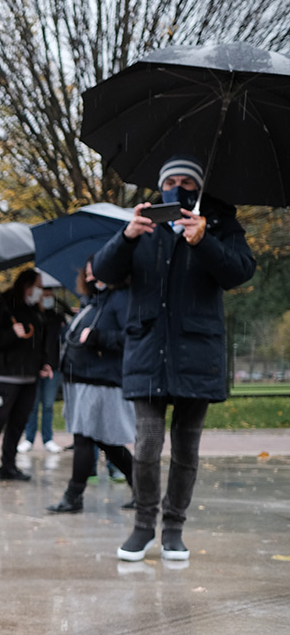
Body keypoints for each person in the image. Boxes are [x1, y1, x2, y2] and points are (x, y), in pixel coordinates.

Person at [93, 155, 255, 563]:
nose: (176, 187)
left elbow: (239, 271)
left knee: (186, 448)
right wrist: (127, 235)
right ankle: (144, 524)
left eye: (185, 181)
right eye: (170, 180)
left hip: (196, 352)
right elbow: (104, 271)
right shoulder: (144, 224)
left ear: (198, 188)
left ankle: (175, 527)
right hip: (148, 348)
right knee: (147, 443)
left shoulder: (219, 223)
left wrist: (204, 241)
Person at [46, 260, 135, 513]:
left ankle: (73, 496)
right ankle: (142, 488)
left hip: (100, 380)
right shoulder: (94, 302)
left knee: (85, 438)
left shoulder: (119, 299)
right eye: (86, 271)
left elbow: (132, 336)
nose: (89, 276)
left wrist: (98, 338)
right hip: (81, 378)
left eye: (94, 270)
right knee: (105, 441)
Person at [0, 268, 49, 483]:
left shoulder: (35, 312)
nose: (41, 290)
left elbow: (38, 342)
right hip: (6, 376)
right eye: (38, 285)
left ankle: (8, 466)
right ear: (27, 286)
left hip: (29, 377)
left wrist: (43, 363)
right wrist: (11, 334)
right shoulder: (1, 310)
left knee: (18, 423)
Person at [19, 285, 70, 454]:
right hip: (34, 368)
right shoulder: (31, 316)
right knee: (32, 405)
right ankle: (29, 438)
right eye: (44, 294)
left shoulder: (57, 317)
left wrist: (50, 364)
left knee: (48, 405)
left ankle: (48, 439)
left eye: (50, 294)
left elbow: (64, 340)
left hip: (53, 368)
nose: (47, 297)